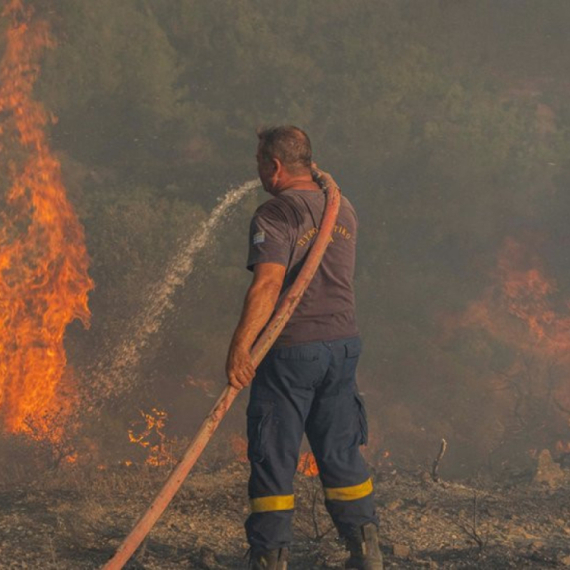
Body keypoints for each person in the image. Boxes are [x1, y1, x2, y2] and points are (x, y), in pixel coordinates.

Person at [226, 126, 382, 570]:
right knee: (339, 451)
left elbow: (269, 283)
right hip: (343, 347)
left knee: (274, 453)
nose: (257, 172)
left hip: (292, 351)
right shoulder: (342, 207)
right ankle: (366, 549)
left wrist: (241, 348)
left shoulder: (277, 213)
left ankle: (270, 558)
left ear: (274, 166)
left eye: (259, 163)